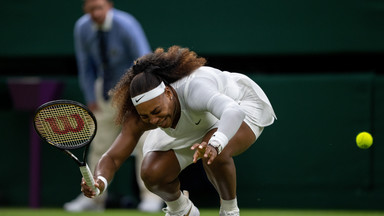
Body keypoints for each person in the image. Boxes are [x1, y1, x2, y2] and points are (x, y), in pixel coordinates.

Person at [80, 46, 277, 216]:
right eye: (147, 117)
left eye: (156, 111)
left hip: (240, 105)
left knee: (217, 152)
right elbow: (113, 158)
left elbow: (232, 111)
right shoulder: (140, 116)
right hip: (192, 125)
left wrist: (215, 144)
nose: (154, 120)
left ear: (167, 93)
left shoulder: (195, 88)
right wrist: (100, 182)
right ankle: (182, 210)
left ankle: (229, 211)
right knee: (151, 172)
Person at [64, 0, 163, 212]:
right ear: (85, 10)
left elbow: (144, 59)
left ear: (109, 6)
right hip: (105, 91)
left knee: (145, 144)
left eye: (99, 7)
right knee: (99, 144)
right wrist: (91, 94)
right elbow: (85, 64)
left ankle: (151, 197)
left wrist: (140, 94)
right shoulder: (82, 27)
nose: (95, 13)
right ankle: (93, 197)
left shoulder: (126, 24)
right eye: (90, 9)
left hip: (133, 89)